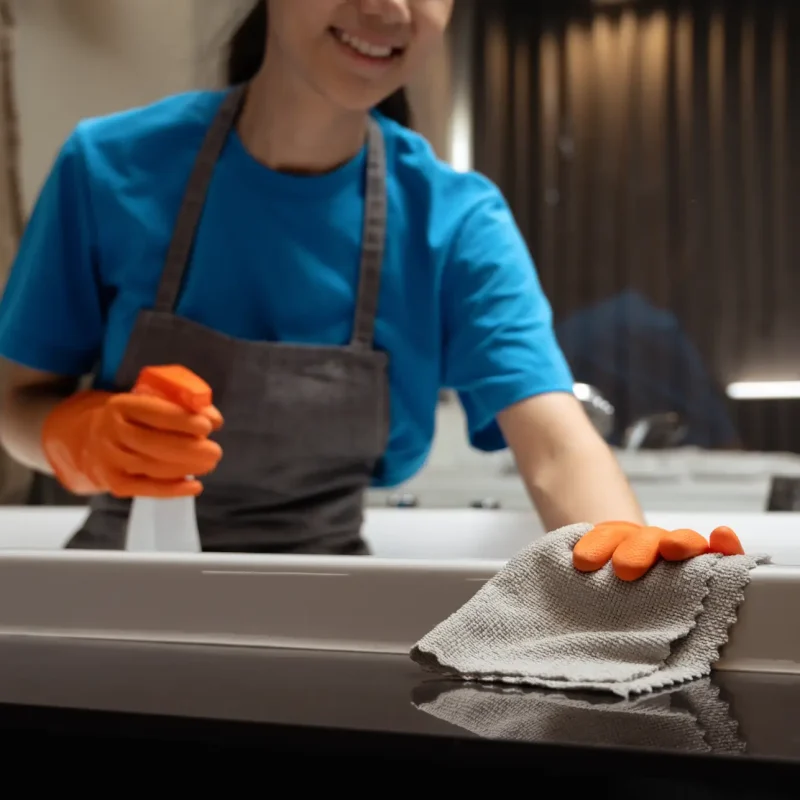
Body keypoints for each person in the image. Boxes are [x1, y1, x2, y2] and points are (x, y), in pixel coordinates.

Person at [0, 0, 644, 556]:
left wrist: (630, 568)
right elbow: (14, 402)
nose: (392, 10)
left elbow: (558, 447)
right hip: (119, 596)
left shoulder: (454, 221)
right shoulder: (110, 167)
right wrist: (76, 438)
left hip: (324, 603)